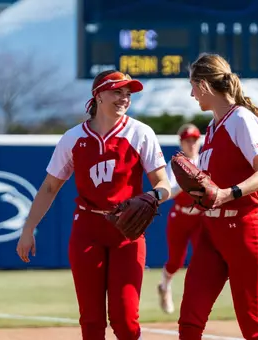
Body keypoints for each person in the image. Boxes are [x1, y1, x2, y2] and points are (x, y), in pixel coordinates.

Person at [16, 70, 171, 340]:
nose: (124, 98)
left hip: (127, 231)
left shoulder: (140, 133)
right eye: (117, 92)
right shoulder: (74, 138)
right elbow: (50, 187)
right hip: (88, 228)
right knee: (91, 319)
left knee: (125, 319)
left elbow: (163, 184)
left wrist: (151, 197)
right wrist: (29, 228)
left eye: (128, 94)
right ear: (98, 95)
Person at [177, 53, 258, 340]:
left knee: (254, 328)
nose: (191, 93)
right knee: (189, 322)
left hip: (243, 232)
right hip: (212, 233)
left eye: (192, 86)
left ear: (204, 85)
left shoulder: (241, 119)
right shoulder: (212, 128)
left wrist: (229, 193)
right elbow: (208, 186)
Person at [157, 123, 203, 315]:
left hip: (200, 217)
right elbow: (171, 189)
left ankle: (196, 301)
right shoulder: (177, 163)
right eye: (187, 140)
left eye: (194, 140)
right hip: (180, 216)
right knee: (176, 261)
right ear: (181, 142)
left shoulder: (205, 160)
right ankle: (164, 286)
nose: (191, 144)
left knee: (203, 260)